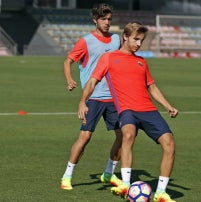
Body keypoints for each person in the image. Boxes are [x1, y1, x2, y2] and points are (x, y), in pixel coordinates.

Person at [78, 22, 178, 202]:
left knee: (169, 143)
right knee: (128, 135)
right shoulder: (109, 58)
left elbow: (152, 87)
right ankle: (125, 184)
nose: (139, 44)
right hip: (127, 109)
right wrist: (82, 102)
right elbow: (92, 81)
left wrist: (168, 106)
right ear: (125, 36)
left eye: (141, 40)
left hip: (148, 109)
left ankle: (161, 193)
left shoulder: (142, 61)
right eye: (136, 39)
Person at [60, 3, 123, 190]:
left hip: (113, 98)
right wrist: (70, 79)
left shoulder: (116, 40)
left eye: (109, 19)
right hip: (93, 97)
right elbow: (68, 61)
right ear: (95, 20)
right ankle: (67, 176)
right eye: (103, 19)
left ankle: (108, 173)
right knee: (85, 137)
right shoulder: (85, 41)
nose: (107, 23)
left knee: (124, 136)